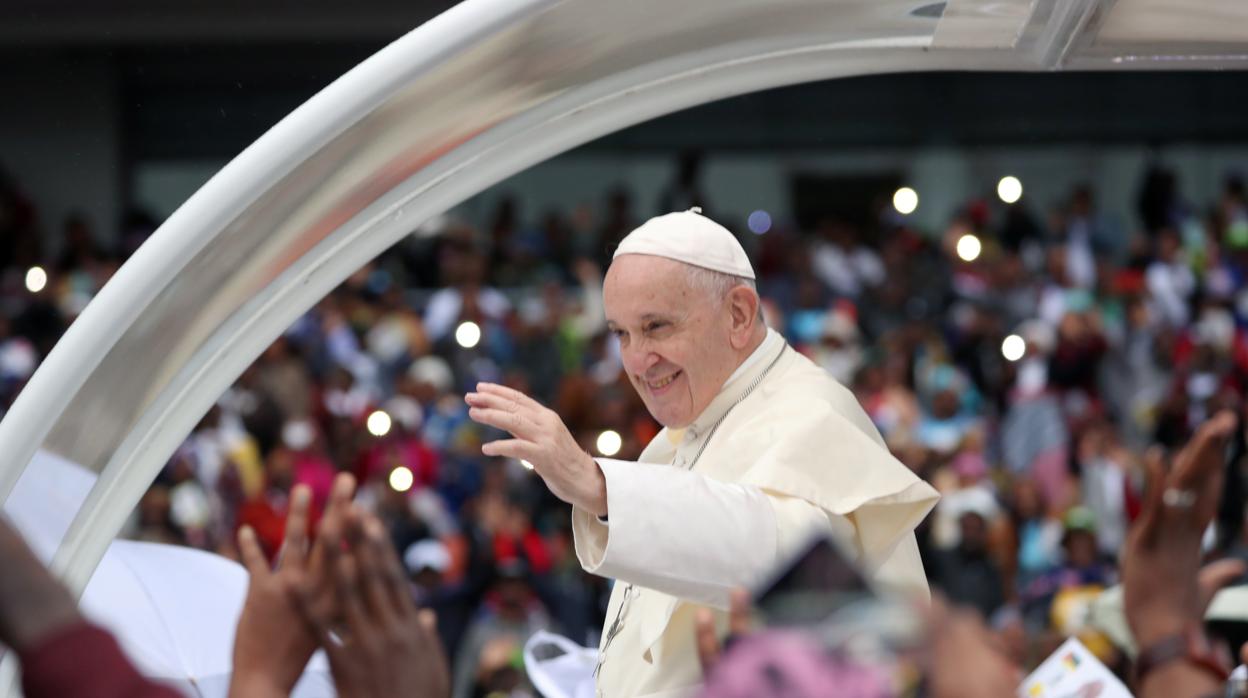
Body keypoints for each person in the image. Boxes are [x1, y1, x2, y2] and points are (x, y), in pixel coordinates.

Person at [467, 208, 939, 697]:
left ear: (737, 313)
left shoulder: (812, 413)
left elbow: (788, 555)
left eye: (656, 327)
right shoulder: (694, 420)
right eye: (621, 333)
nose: (635, 360)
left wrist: (599, 486)